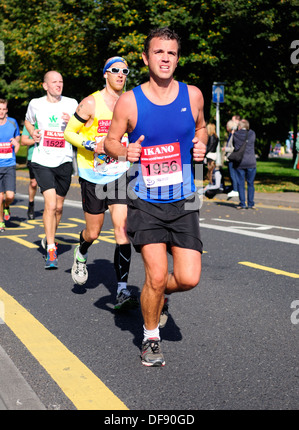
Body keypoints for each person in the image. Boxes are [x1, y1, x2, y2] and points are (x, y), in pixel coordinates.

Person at [104, 27, 208, 367]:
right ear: (147, 58)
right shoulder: (130, 100)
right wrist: (126, 150)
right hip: (146, 201)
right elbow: (110, 142)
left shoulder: (192, 95)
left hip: (185, 199)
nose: (165, 58)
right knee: (156, 273)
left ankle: (158, 295)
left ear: (177, 59)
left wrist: (203, 142)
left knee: (189, 277)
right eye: (159, 52)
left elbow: (203, 127)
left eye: (172, 53)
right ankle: (150, 339)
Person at [64, 57, 138, 311]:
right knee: (93, 232)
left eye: (125, 71)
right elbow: (69, 132)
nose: (121, 74)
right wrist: (89, 144)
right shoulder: (90, 102)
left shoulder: (130, 102)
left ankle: (121, 289)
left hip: (119, 173)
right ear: (105, 74)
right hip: (93, 175)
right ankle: (82, 252)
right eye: (115, 70)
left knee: (122, 230)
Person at [25, 71, 78, 268]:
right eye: (54, 82)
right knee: (50, 204)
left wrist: (72, 121)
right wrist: (33, 132)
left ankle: (50, 237)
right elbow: (28, 121)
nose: (59, 85)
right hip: (42, 160)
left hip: (64, 160)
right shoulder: (35, 103)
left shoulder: (72, 103)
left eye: (61, 82)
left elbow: (86, 125)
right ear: (45, 85)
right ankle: (50, 249)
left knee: (59, 207)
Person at [0, 98, 20, 232]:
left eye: (3, 109)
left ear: (6, 110)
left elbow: (17, 138)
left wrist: (16, 143)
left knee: (10, 196)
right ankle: (1, 221)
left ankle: (6, 206)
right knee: (0, 196)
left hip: (9, 164)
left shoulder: (12, 122)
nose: (1, 112)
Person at [233, 119, 256, 209]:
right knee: (250, 183)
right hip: (251, 161)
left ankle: (242, 203)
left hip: (240, 162)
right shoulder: (252, 133)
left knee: (240, 183)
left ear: (239, 126)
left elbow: (235, 146)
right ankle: (250, 203)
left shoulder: (236, 135)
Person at [21, 125, 38, 219]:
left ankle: (50, 208)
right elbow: (23, 141)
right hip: (33, 157)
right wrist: (36, 141)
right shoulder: (29, 124)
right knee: (33, 183)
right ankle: (31, 204)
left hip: (48, 157)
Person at [223, 119, 239, 199]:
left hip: (232, 157)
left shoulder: (233, 135)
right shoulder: (233, 134)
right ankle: (235, 188)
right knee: (233, 174)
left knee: (233, 174)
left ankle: (235, 190)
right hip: (232, 158)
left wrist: (225, 149)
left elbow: (232, 148)